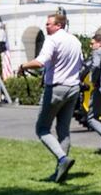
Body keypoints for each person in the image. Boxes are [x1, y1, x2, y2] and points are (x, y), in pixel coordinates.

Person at [18, 13, 83, 183]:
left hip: (56, 88)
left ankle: (62, 159)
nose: (46, 27)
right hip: (73, 88)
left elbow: (40, 62)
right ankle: (60, 171)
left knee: (42, 128)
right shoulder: (75, 41)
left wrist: (23, 66)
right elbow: (80, 63)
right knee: (63, 130)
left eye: (49, 24)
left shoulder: (52, 40)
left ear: (59, 25)